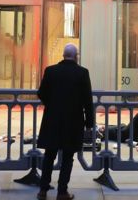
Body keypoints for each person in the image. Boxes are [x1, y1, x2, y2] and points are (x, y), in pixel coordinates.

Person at [36, 43, 94, 200]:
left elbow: (41, 93)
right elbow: (87, 101)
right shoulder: (82, 73)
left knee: (49, 155)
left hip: (52, 119)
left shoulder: (50, 71)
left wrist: (52, 104)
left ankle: (43, 190)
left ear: (63, 55)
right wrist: (89, 124)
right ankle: (62, 192)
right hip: (73, 121)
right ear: (76, 56)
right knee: (68, 157)